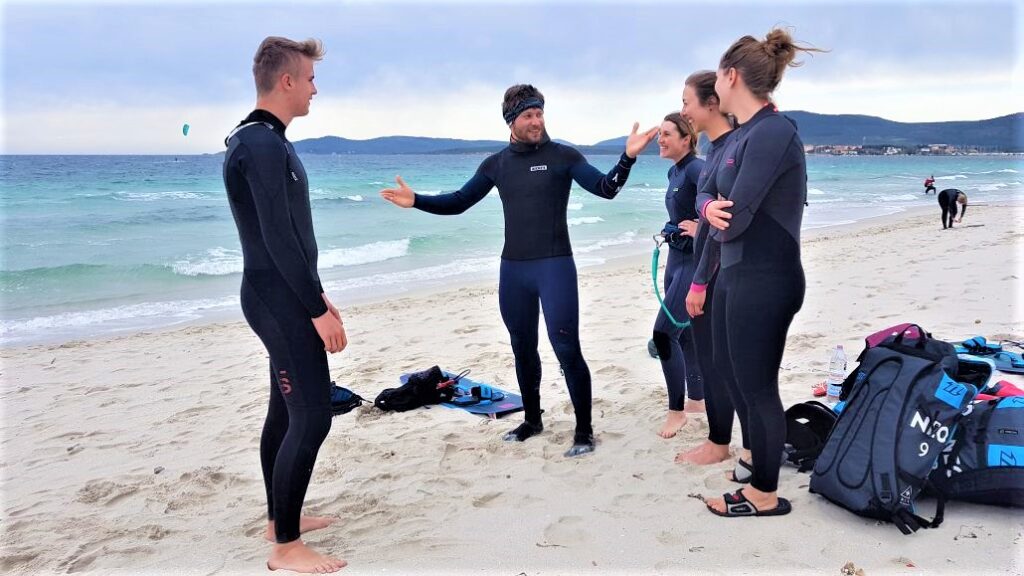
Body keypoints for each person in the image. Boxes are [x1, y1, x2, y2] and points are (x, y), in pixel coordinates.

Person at [381, 84, 657, 457]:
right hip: (513, 271)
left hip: (555, 266)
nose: (537, 121)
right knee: (522, 348)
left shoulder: (564, 156)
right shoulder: (496, 164)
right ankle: (531, 419)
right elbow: (459, 202)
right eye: (528, 115)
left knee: (566, 348)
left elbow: (606, 189)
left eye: (540, 113)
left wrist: (627, 158)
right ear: (511, 120)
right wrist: (417, 202)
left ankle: (584, 431)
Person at [222, 36, 347, 573]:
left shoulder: (265, 140)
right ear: (288, 80)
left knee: (284, 407)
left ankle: (281, 519)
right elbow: (277, 238)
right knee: (312, 415)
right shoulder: (261, 146)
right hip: (275, 297)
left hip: (284, 293)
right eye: (311, 78)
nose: (317, 89)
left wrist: (318, 296)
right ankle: (286, 548)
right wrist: (313, 311)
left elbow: (292, 237)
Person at [699, 29, 822, 518]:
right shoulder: (740, 134)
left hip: (767, 278)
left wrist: (714, 215)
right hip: (736, 275)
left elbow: (740, 216)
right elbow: (706, 197)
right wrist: (708, 208)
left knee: (757, 385)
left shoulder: (774, 131)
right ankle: (755, 463)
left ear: (731, 77)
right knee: (732, 376)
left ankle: (765, 495)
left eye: (718, 74)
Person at [674, 70, 745, 467]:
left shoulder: (734, 146)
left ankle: (722, 444)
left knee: (722, 362)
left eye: (687, 101)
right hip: (712, 265)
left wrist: (700, 280)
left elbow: (726, 223)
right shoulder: (716, 149)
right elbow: (709, 202)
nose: (684, 109)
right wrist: (702, 210)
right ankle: (722, 440)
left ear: (711, 103)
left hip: (719, 271)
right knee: (716, 359)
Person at [652, 112, 705, 439]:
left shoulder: (698, 168)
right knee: (685, 334)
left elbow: (727, 201)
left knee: (663, 334)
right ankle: (697, 400)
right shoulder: (676, 171)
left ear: (686, 138)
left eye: (667, 134)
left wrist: (703, 226)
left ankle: (677, 413)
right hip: (675, 260)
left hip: (692, 263)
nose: (661, 139)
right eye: (660, 134)